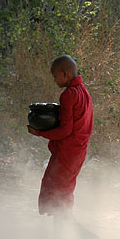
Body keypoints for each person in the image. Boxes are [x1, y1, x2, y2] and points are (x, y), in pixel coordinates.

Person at [28, 55, 94, 229]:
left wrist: (39, 132)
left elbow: (65, 131)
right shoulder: (83, 91)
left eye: (54, 75)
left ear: (65, 73)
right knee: (63, 192)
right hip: (78, 150)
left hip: (68, 151)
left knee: (57, 193)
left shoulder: (69, 95)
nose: (54, 79)